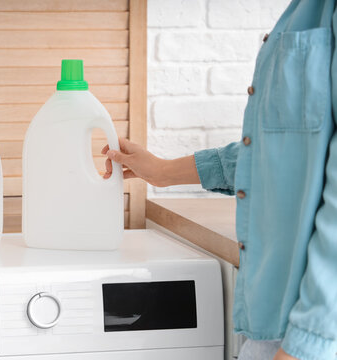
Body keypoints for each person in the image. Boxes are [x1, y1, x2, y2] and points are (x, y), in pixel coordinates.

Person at [102, 1, 337, 359]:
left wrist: (308, 343)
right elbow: (276, 151)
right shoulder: (306, 10)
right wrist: (163, 172)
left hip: (312, 333)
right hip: (278, 321)